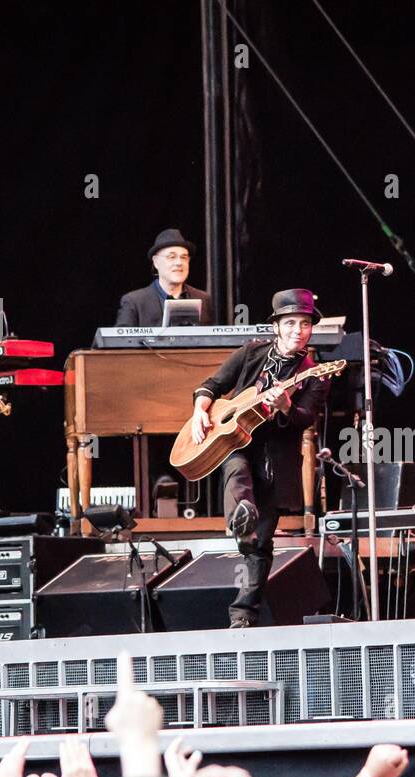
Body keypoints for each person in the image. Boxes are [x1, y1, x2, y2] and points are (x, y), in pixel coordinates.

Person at [189, 289, 331, 627]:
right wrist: (199, 411)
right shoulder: (251, 353)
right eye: (292, 323)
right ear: (277, 327)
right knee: (236, 469)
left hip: (276, 462)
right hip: (237, 444)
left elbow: (304, 418)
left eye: (306, 323)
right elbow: (212, 384)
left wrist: (286, 407)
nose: (299, 330)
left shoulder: (316, 374)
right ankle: (242, 512)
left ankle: (243, 614)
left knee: (260, 544)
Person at [115, 228, 214, 327]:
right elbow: (120, 341)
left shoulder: (204, 299)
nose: (179, 263)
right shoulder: (134, 302)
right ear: (156, 262)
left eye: (183, 257)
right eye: (171, 257)